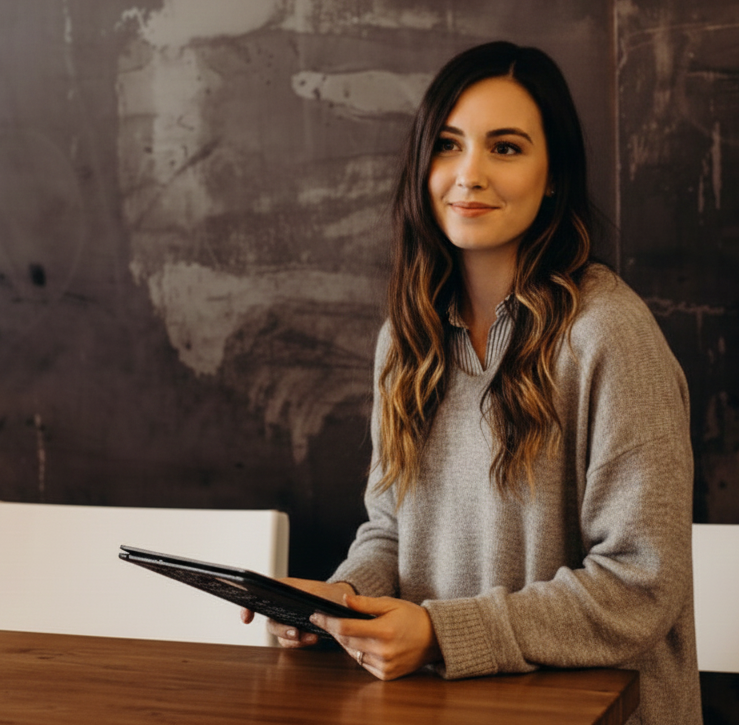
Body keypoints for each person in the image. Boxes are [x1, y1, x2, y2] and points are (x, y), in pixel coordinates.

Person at [242, 41, 702, 725]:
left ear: (553, 176)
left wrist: (436, 633)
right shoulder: (404, 340)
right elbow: (393, 534)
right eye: (449, 145)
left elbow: (639, 587)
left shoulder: (608, 333)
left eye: (506, 148)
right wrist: (339, 603)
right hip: (449, 706)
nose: (468, 175)